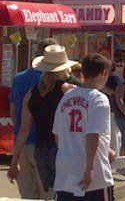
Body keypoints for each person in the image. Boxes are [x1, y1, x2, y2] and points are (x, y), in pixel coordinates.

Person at [8, 45, 77, 200]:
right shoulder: (68, 90)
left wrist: (14, 161)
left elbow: (24, 129)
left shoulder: (32, 93)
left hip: (40, 150)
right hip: (61, 149)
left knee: (47, 195)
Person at [52, 52, 115, 201]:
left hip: (65, 173)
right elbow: (93, 134)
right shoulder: (99, 98)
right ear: (103, 73)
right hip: (94, 178)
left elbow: (57, 135)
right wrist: (89, 168)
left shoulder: (67, 97)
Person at [8, 38, 58, 200]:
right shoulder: (49, 81)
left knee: (28, 196)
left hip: (22, 143)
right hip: (44, 144)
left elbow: (13, 111)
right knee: (47, 194)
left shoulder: (18, 78)